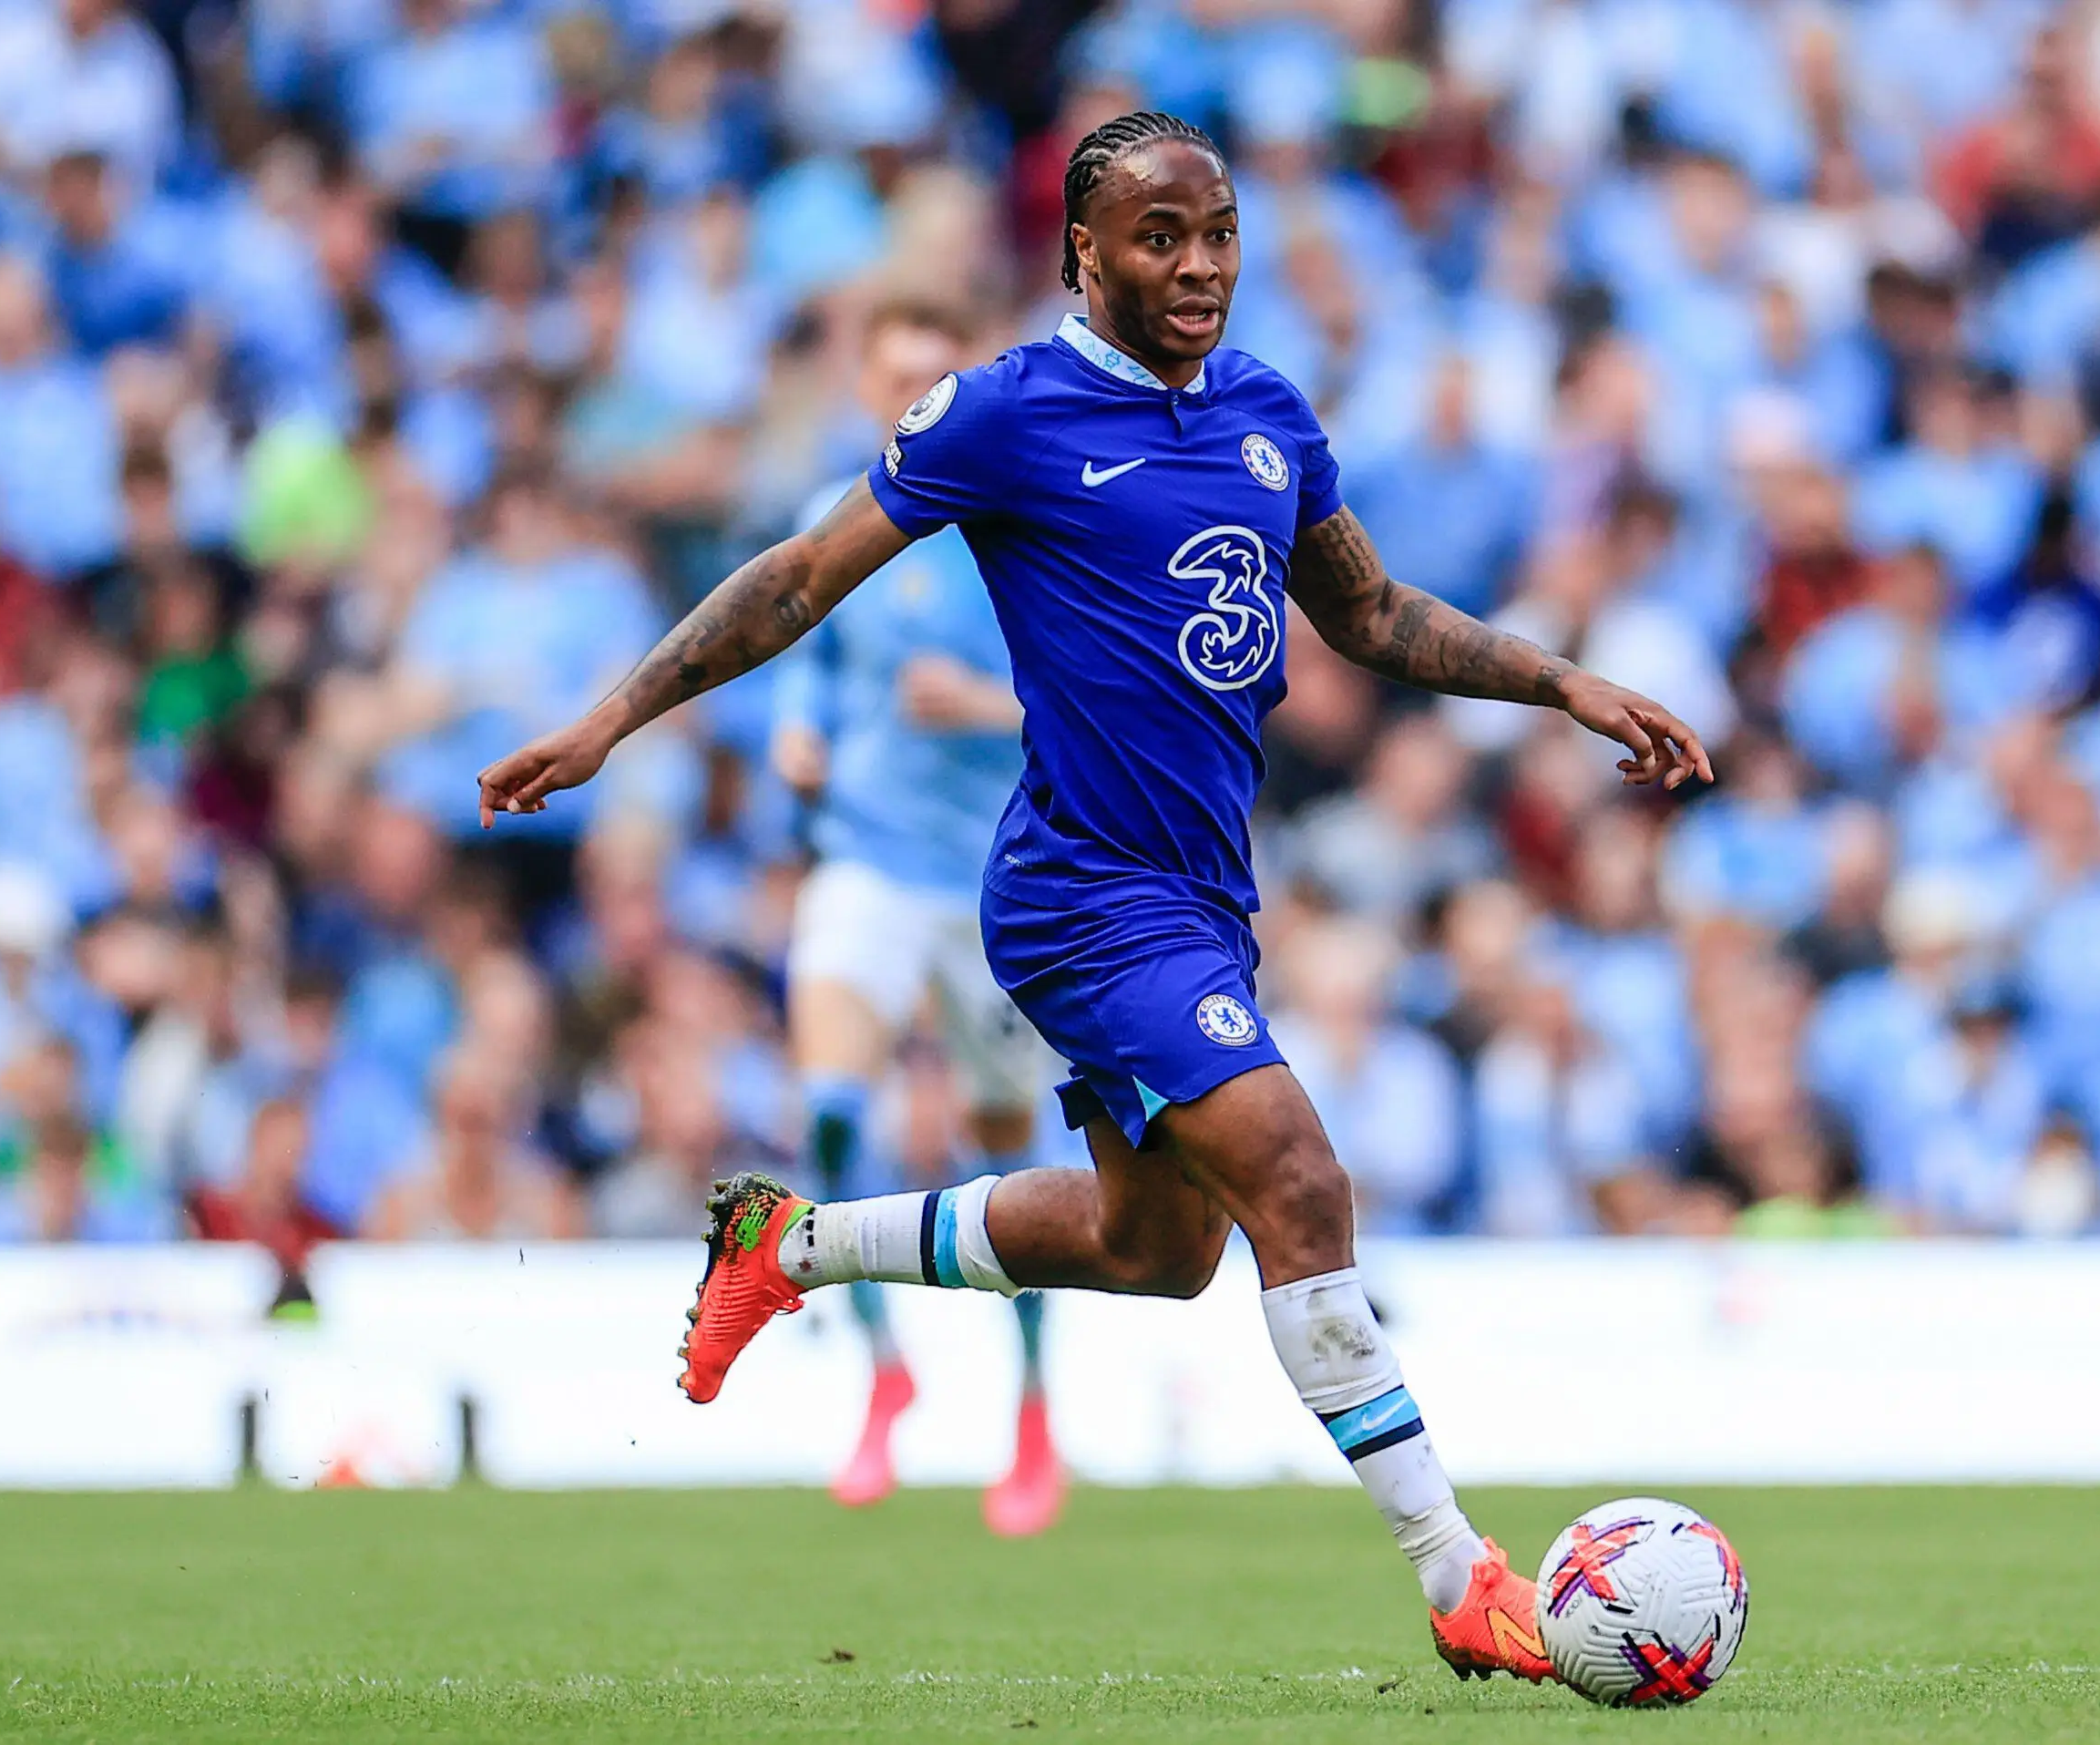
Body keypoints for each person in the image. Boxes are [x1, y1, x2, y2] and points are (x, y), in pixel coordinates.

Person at [476, 111, 1711, 1683]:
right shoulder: (1005, 413)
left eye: (1219, 235)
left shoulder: (1266, 413)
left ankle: (788, 1244)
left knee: (1158, 1250)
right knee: (1303, 1184)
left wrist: (1567, 683)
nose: (1198, 267)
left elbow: (1376, 611)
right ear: (1084, 249)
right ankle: (1457, 1569)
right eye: (1159, 238)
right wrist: (607, 722)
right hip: (1079, 893)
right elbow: (796, 574)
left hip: (1201, 897)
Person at [764, 297, 1066, 1535]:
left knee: (1013, 1160)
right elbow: (806, 658)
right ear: (866, 386)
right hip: (872, 858)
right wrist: (797, 736)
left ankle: (1031, 1408)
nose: (916, 400)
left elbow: (1088, 702)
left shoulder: (1028, 528)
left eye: (938, 379)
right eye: (898, 378)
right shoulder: (834, 518)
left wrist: (984, 706)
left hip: (999, 878)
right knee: (832, 1104)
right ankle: (881, 1369)